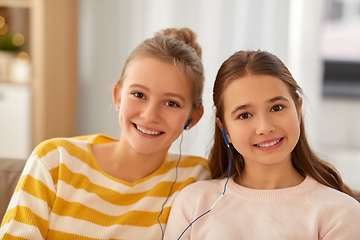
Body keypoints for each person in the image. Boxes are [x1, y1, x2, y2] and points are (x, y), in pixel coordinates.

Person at [0, 27, 210, 240]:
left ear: (193, 117)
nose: (150, 115)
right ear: (117, 96)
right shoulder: (55, 161)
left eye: (171, 103)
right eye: (139, 94)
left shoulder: (196, 179)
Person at [164, 50, 360, 240]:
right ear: (225, 129)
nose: (265, 128)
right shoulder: (194, 202)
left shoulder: (339, 213)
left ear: (298, 110)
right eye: (244, 115)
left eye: (277, 108)